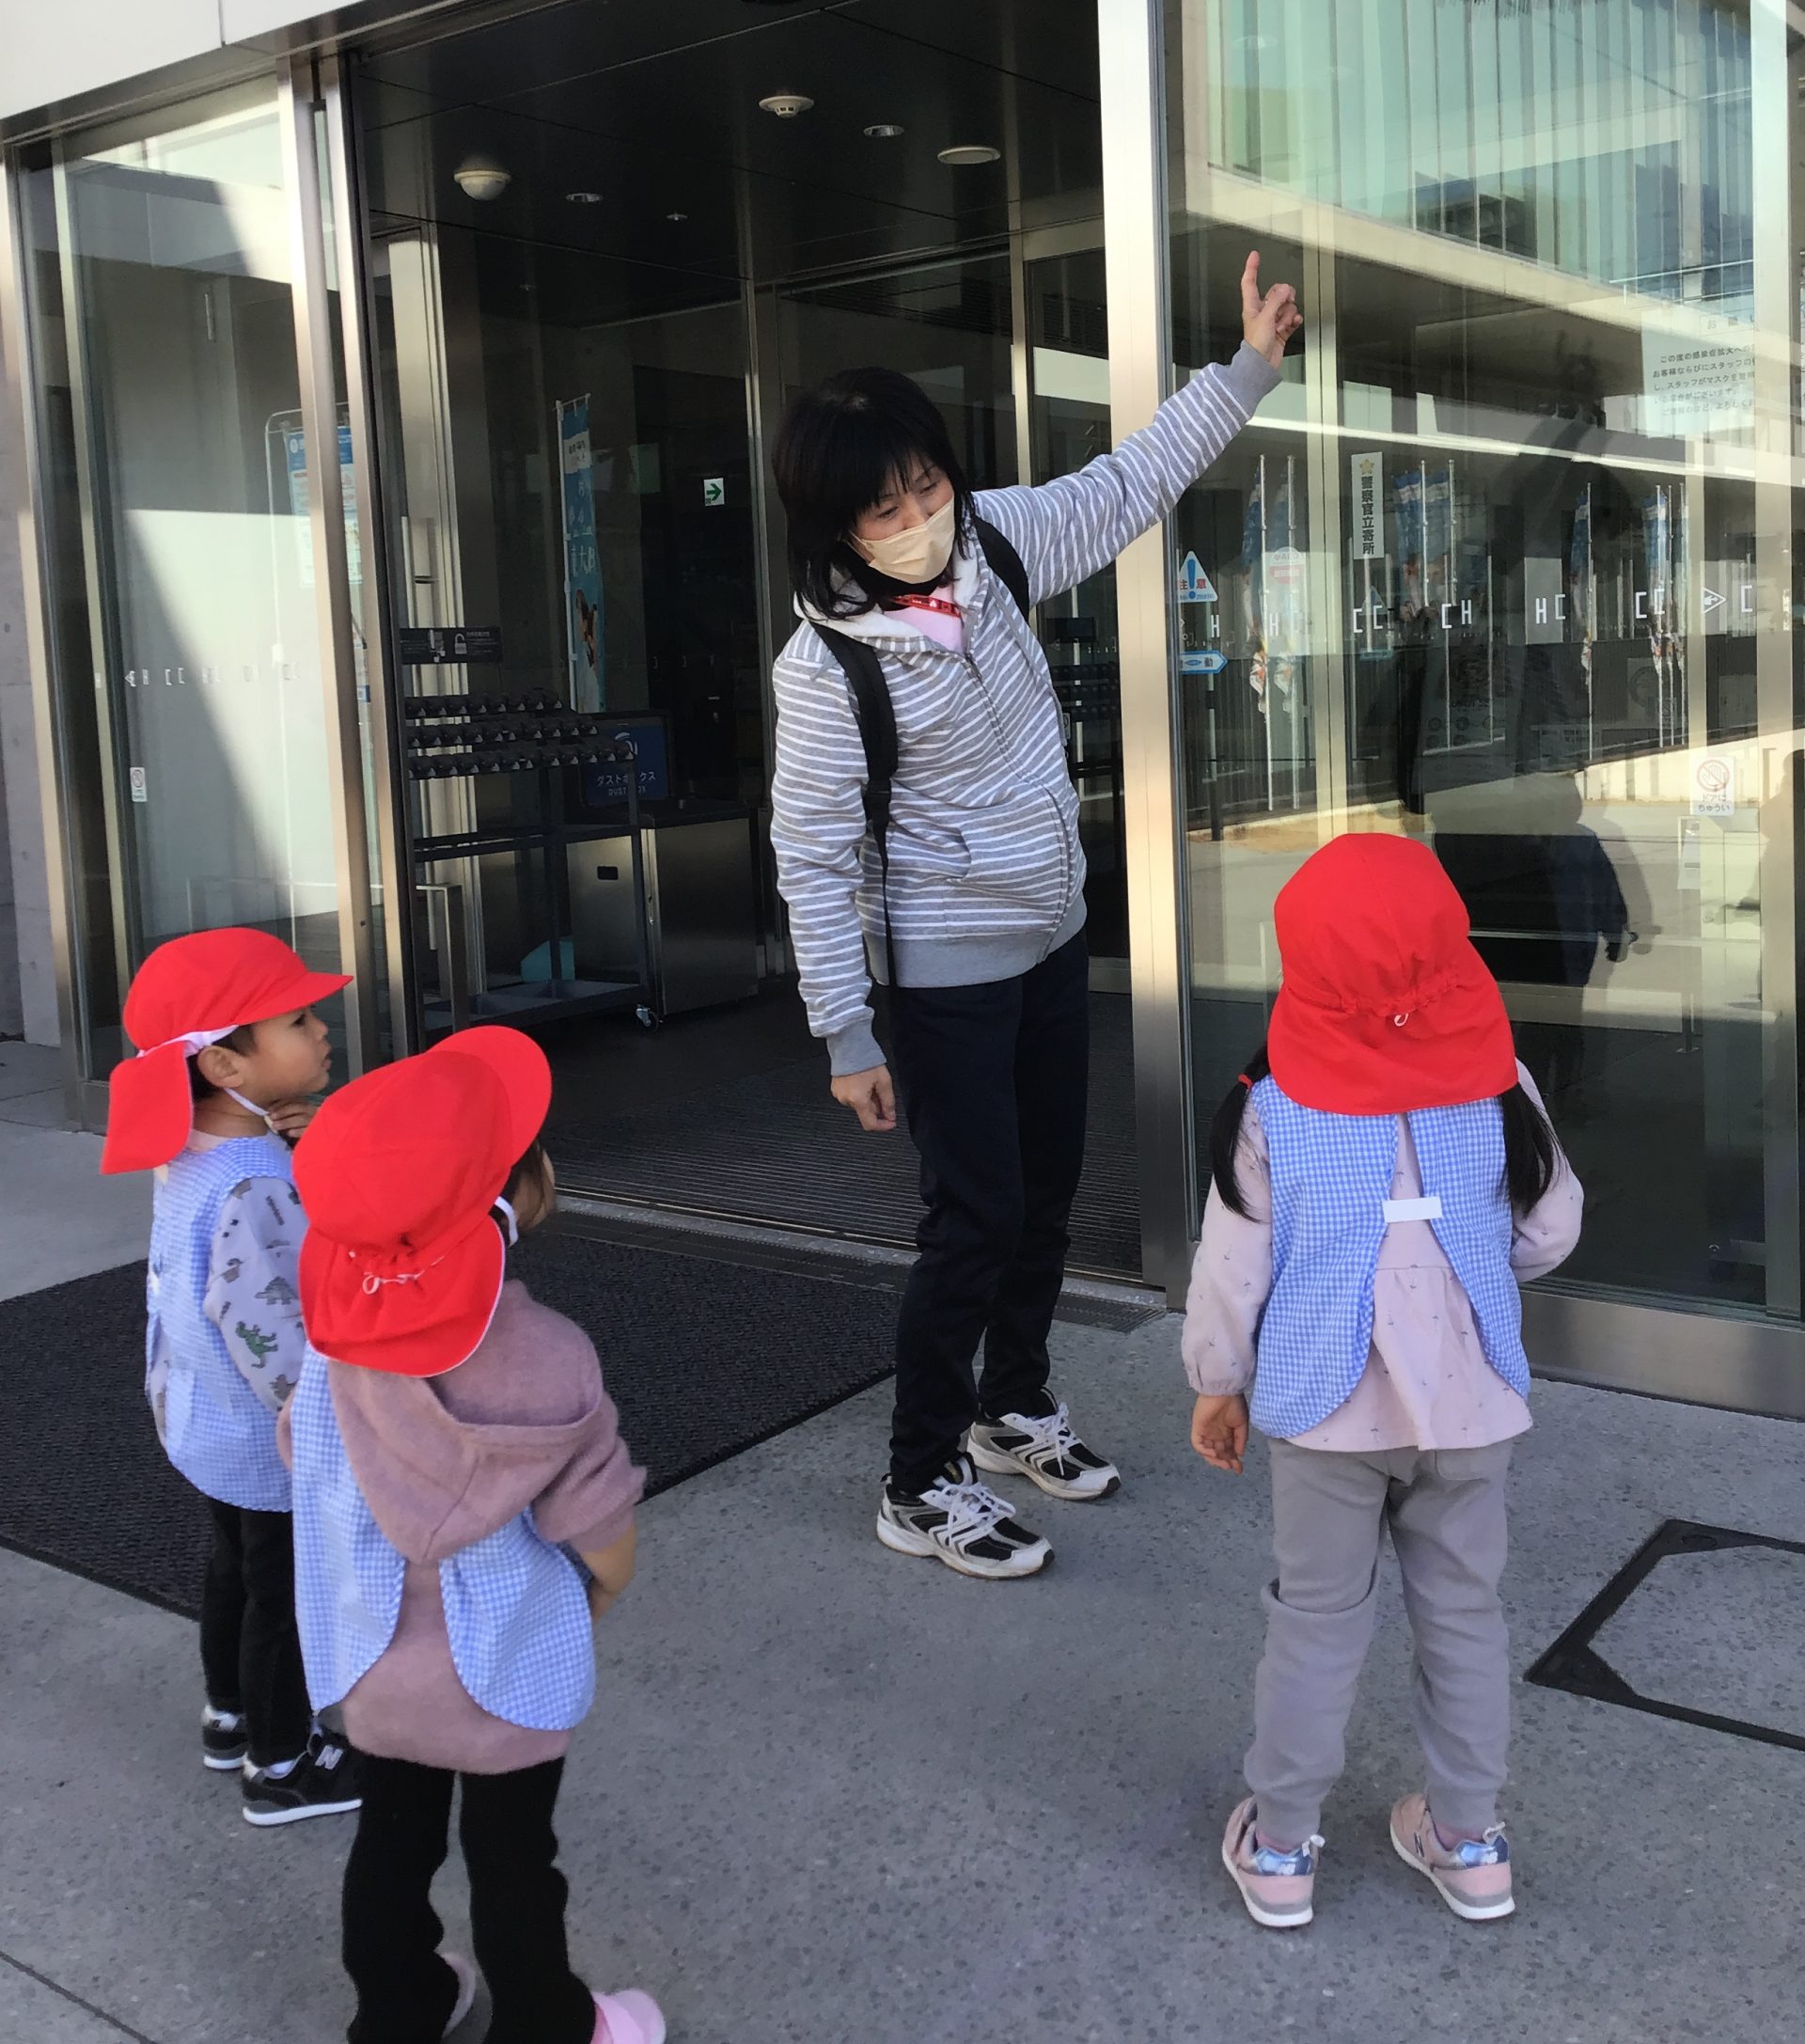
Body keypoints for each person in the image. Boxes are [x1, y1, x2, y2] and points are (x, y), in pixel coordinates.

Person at [771, 255, 1302, 1580]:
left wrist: (1246, 370)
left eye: (926, 484)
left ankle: (1011, 1405)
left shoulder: (996, 545)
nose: (918, 515)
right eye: (885, 505)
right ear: (836, 526)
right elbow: (812, 855)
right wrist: (845, 1032)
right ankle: (918, 1476)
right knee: (974, 1221)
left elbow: (1128, 482)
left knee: (1046, 1198)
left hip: (1052, 938)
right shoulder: (824, 668)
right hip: (943, 976)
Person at [1184, 833, 1583, 1928]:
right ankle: (1471, 1841)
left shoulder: (1272, 1102)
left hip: (1325, 1410)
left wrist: (1219, 1382)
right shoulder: (1502, 1082)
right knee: (1464, 1613)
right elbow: (1549, 1228)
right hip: (1471, 1401)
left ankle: (1281, 1849)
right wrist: (1463, 1283)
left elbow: (1232, 1267)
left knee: (1316, 1621)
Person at [286, 1027, 659, 2044]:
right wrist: (602, 1592)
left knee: (391, 1844)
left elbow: (302, 1455)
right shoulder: (549, 1357)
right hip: (506, 1666)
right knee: (514, 1859)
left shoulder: (330, 1345)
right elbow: (601, 1526)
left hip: (373, 1660)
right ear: (518, 1192)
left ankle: (397, 2011)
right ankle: (548, 2022)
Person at [102, 925, 364, 1826]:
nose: (322, 1030)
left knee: (234, 1571)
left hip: (204, 1419)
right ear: (223, 1066)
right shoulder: (255, 1180)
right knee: (282, 1601)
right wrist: (335, 1433)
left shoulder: (193, 1152)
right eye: (298, 1021)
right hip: (270, 1441)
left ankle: (229, 1717)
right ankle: (281, 1765)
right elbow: (278, 1337)